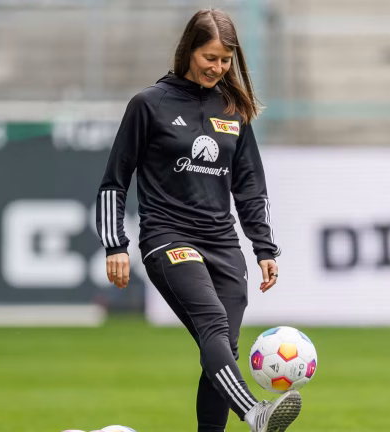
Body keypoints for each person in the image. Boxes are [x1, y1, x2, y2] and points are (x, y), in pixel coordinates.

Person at [95, 9, 300, 432]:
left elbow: (250, 187)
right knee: (213, 324)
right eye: (210, 57)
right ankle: (255, 414)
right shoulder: (148, 104)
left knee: (221, 348)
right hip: (168, 238)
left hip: (223, 244)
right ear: (188, 51)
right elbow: (114, 182)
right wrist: (116, 244)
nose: (218, 68)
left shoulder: (233, 108)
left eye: (226, 60)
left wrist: (264, 248)